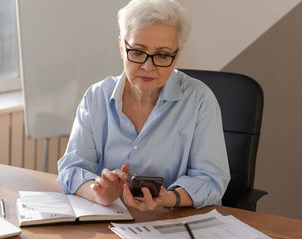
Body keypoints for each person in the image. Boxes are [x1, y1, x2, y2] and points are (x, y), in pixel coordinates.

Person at [57, 0, 230, 211]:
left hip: (175, 223)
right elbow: (72, 169)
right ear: (122, 47)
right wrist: (99, 192)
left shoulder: (200, 100)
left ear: (176, 56)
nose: (148, 67)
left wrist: (167, 198)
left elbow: (211, 179)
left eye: (163, 55)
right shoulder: (96, 97)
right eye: (138, 52)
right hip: (110, 222)